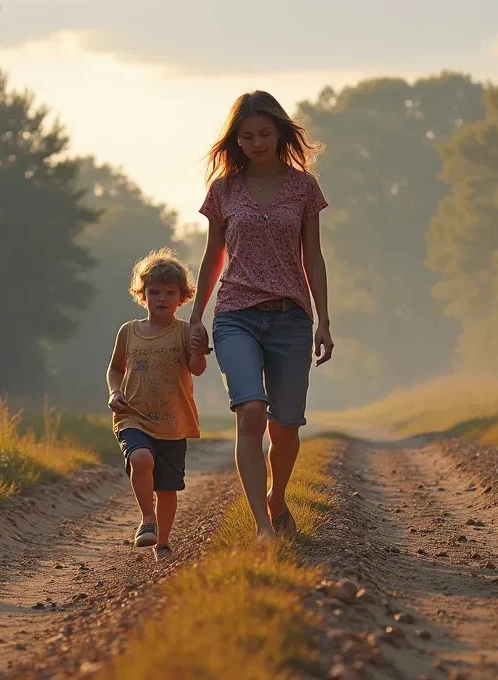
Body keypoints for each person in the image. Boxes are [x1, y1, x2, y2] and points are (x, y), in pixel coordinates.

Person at [188, 90, 334, 541]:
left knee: (285, 426)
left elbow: (313, 255)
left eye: (264, 134)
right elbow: (214, 256)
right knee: (251, 411)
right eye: (247, 136)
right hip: (235, 315)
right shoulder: (223, 190)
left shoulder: (303, 187)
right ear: (236, 140)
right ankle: (263, 526)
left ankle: (277, 496)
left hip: (291, 316)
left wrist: (324, 320)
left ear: (280, 133)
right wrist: (195, 318)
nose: (256, 143)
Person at [107, 249, 207, 563]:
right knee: (140, 457)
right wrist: (113, 392)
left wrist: (200, 351)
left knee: (167, 488)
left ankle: (161, 543)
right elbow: (115, 369)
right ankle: (147, 518)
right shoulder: (129, 331)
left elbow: (197, 368)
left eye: (169, 293)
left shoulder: (184, 331)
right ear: (142, 295)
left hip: (173, 422)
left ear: (182, 298)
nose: (161, 298)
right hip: (133, 416)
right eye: (154, 292)